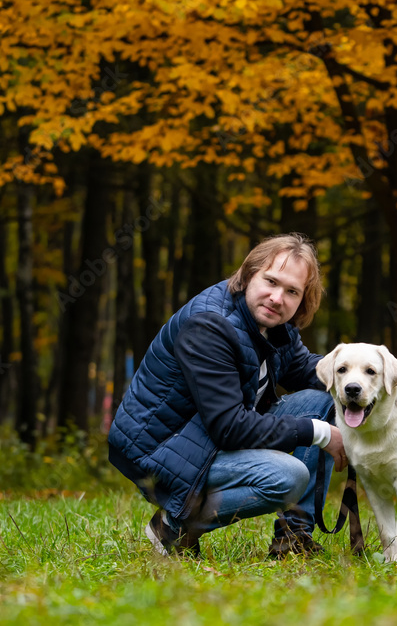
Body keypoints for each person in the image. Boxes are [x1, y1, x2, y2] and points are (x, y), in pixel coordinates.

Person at [108, 233, 346, 558]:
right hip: (160, 447)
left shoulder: (274, 325)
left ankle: (293, 538)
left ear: (303, 298)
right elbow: (229, 427)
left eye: (292, 291)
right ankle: (172, 529)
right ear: (249, 274)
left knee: (328, 400)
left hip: (207, 435)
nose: (277, 298)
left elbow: (308, 371)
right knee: (289, 477)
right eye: (271, 281)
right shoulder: (209, 326)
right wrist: (319, 433)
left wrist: (364, 371)